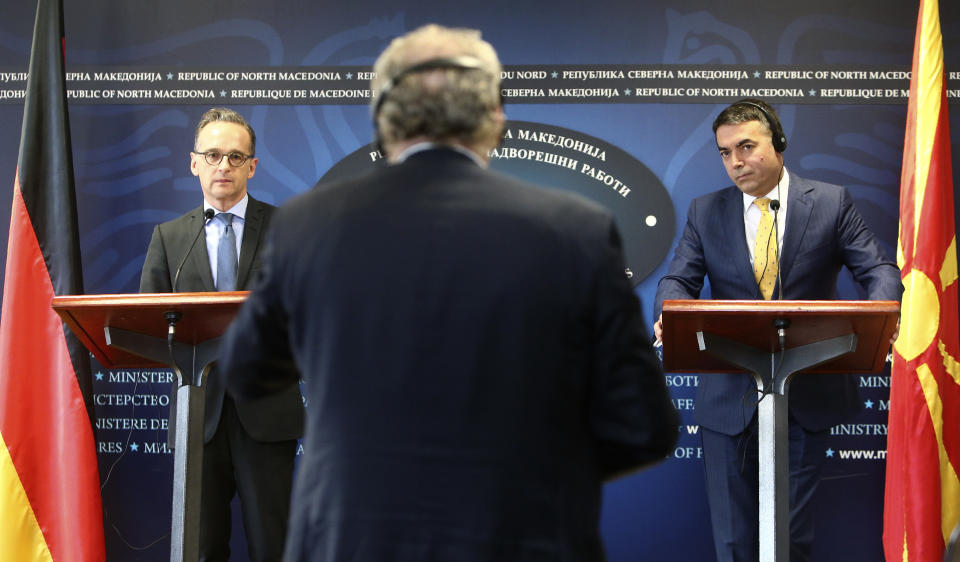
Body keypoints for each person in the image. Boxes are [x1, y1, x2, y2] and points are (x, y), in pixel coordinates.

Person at [219, 24, 678, 562]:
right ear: (494, 119)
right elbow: (643, 425)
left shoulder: (306, 225)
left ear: (383, 122)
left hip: (352, 538)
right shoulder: (576, 229)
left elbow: (247, 370)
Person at [653, 98, 901, 562]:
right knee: (733, 541)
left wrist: (882, 316)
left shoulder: (830, 202)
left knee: (790, 539)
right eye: (725, 152)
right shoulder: (705, 211)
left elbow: (878, 268)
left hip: (806, 395)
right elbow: (677, 279)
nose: (736, 161)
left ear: (779, 144)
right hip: (728, 398)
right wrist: (669, 310)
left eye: (746, 146)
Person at [140, 107, 304, 562]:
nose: (223, 167)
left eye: (235, 156)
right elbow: (149, 324)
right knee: (201, 547)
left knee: (275, 546)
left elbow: (311, 315)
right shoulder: (170, 238)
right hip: (199, 416)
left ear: (253, 166)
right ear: (194, 162)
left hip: (266, 412)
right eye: (213, 155)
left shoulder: (289, 229)